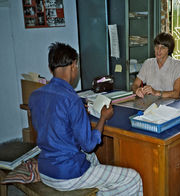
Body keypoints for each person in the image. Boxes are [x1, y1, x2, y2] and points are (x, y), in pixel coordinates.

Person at [29, 42, 143, 195]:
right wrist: (103, 118)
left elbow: (53, 126)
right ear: (73, 67)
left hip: (44, 169)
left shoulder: (36, 95)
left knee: (93, 159)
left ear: (51, 68)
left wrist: (74, 115)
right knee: (132, 178)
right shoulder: (72, 100)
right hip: (66, 175)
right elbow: (88, 145)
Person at [131, 32, 180, 99]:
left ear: (169, 50)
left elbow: (176, 94)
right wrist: (137, 90)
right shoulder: (148, 63)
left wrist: (156, 92)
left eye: (162, 48)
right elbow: (135, 84)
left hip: (171, 104)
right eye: (157, 47)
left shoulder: (177, 65)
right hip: (151, 103)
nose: (158, 50)